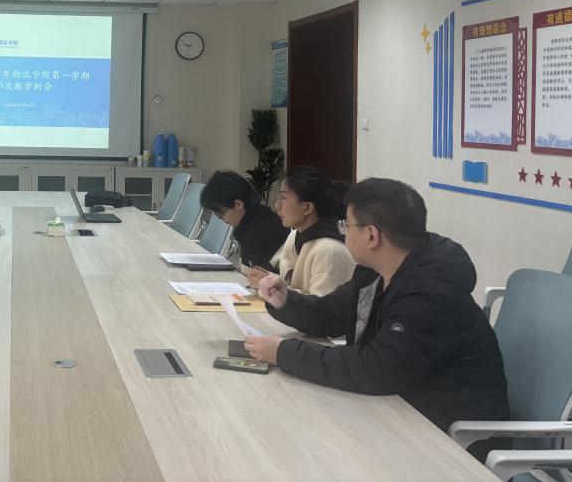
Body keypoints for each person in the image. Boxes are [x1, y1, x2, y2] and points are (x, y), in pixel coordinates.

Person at [243, 178, 509, 433]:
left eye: (347, 226)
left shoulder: (430, 294)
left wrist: (284, 353)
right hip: (397, 408)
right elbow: (331, 313)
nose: (343, 232)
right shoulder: (375, 270)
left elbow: (378, 368)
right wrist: (285, 301)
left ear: (371, 236)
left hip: (446, 432)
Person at [249, 166, 355, 296]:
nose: (277, 205)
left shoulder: (328, 251)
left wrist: (272, 288)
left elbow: (321, 305)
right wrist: (269, 279)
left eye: (282, 198)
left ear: (307, 207)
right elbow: (293, 286)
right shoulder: (295, 235)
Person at [200, 170, 287, 271]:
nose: (220, 218)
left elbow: (250, 277)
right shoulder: (261, 217)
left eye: (221, 213)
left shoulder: (257, 234)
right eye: (216, 214)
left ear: (238, 204)